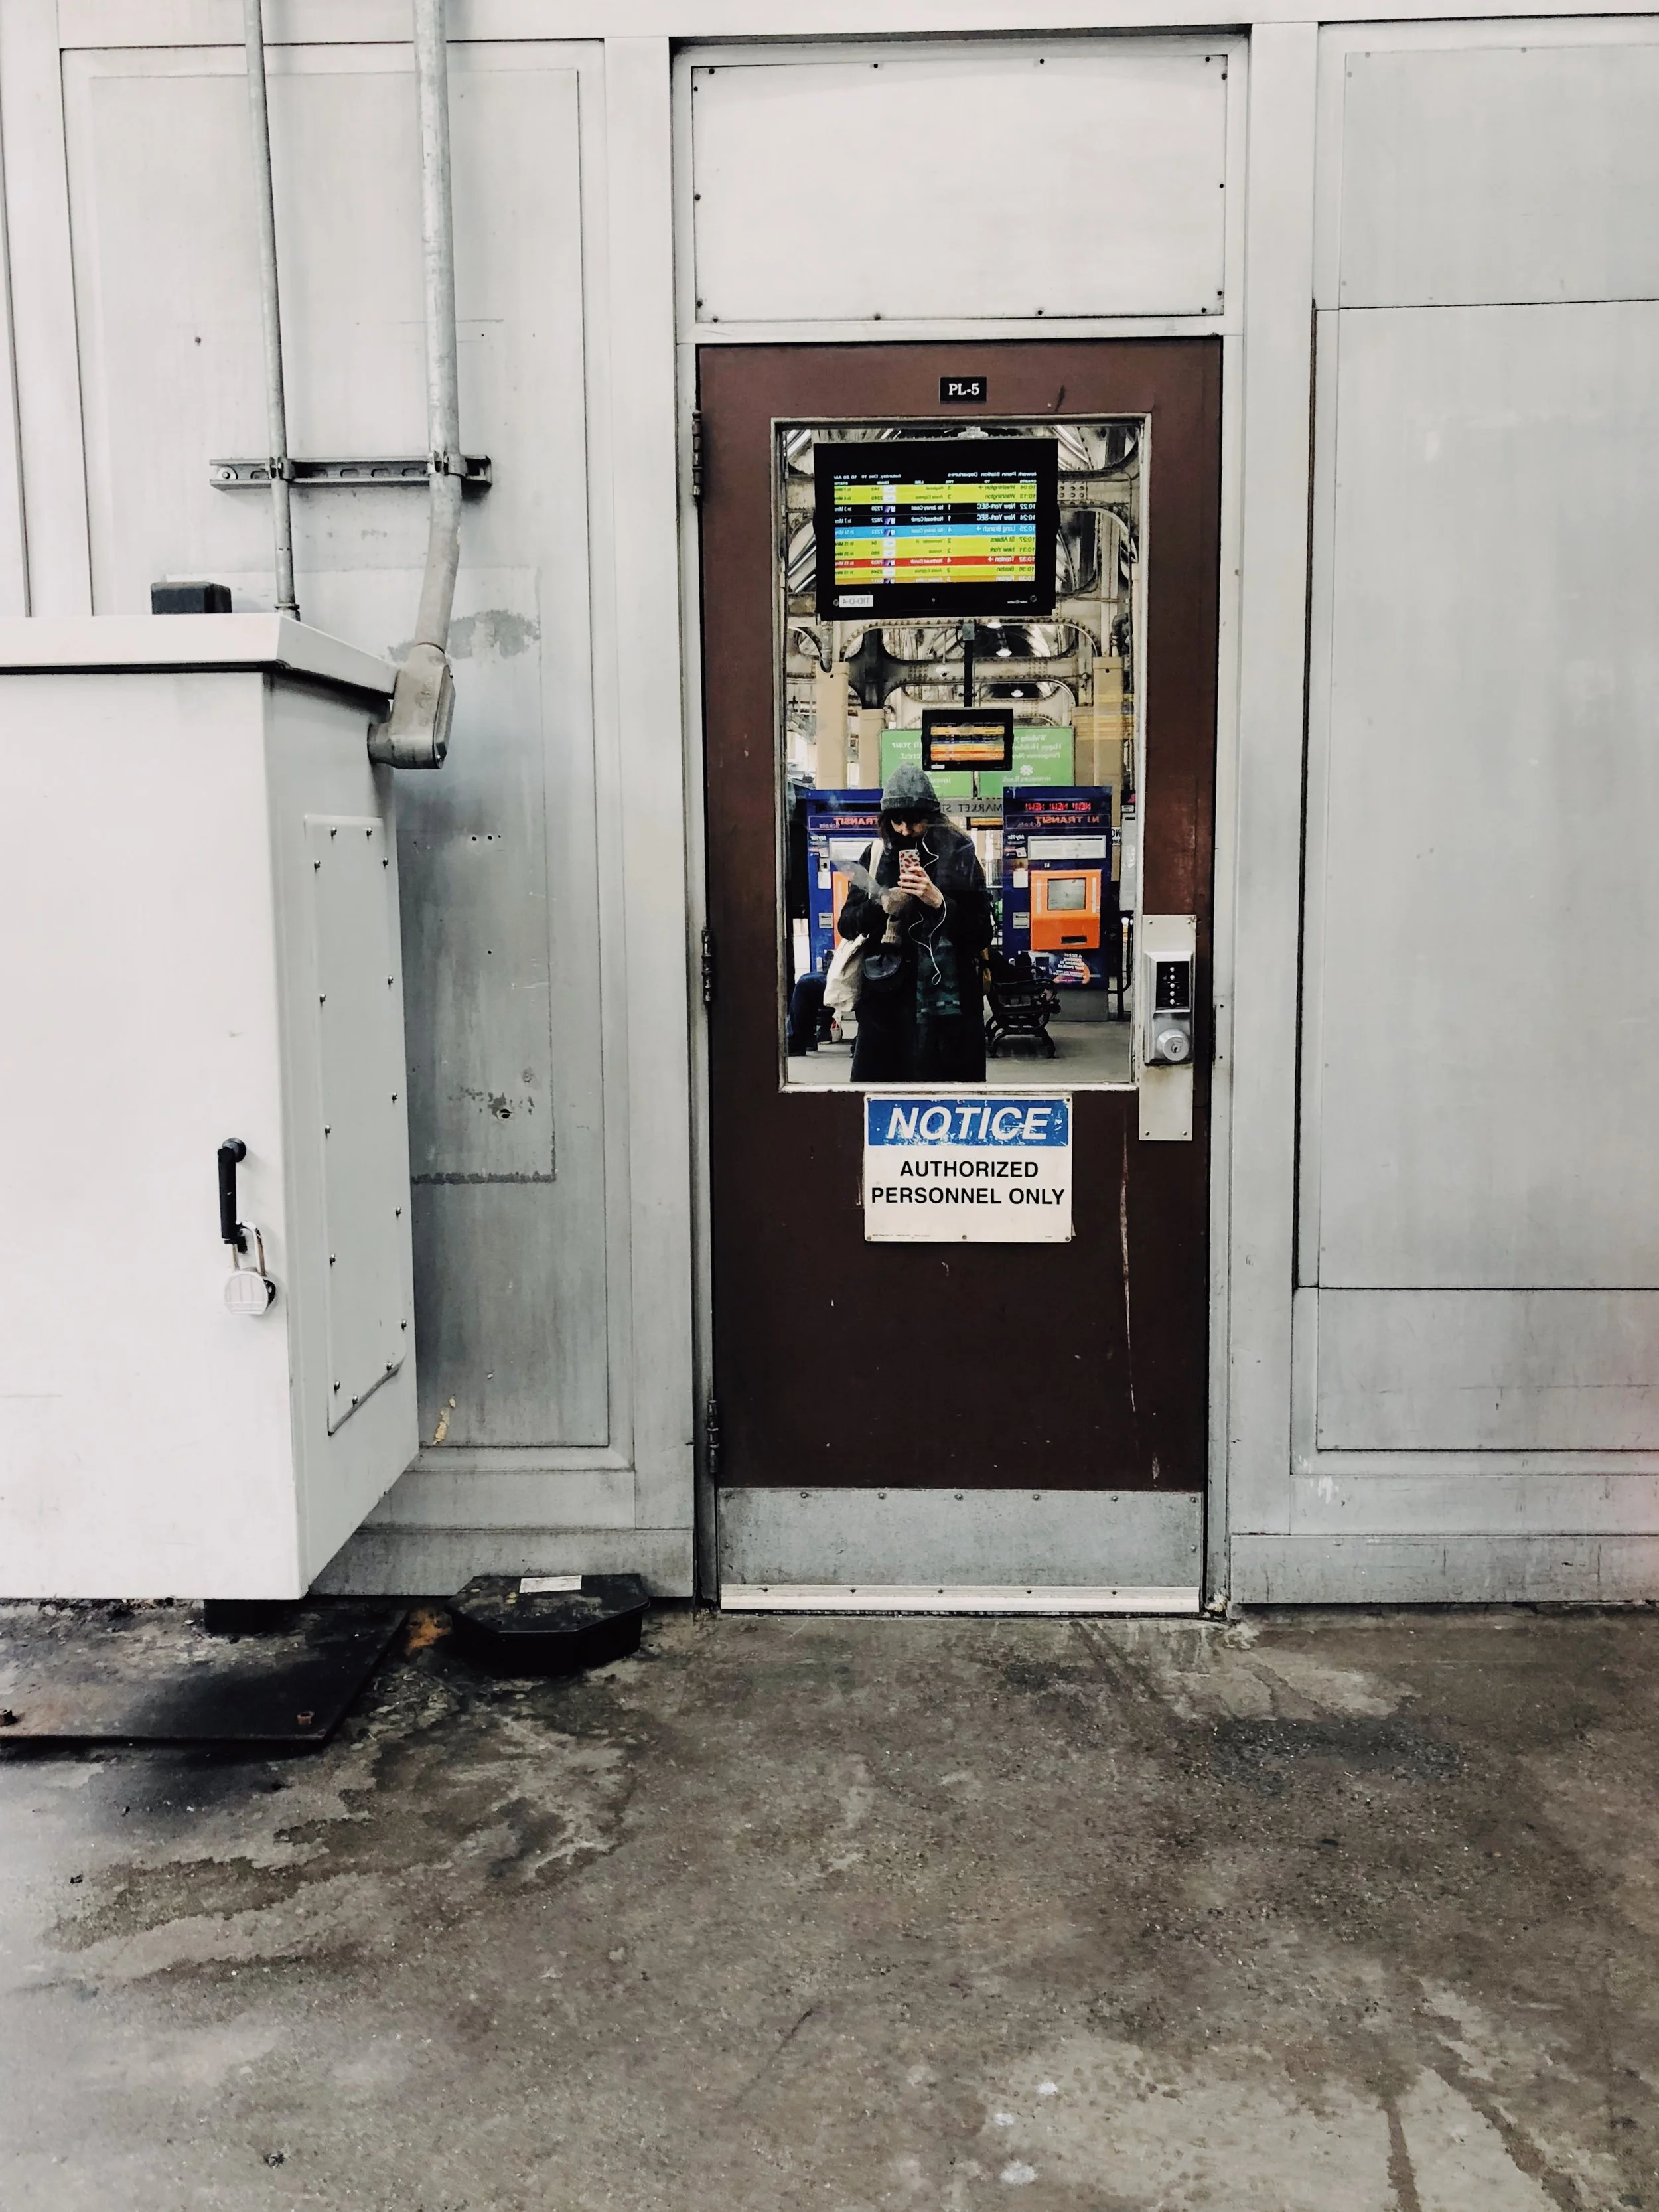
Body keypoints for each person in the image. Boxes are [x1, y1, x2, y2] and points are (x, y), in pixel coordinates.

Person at [837, 763, 994, 1082]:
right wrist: (881, 904)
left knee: (947, 1096)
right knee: (884, 1098)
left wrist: (938, 901)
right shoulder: (877, 854)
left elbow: (982, 932)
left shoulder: (959, 854)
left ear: (932, 818)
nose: (905, 831)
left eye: (915, 822)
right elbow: (847, 925)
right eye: (897, 822)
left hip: (948, 1010)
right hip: (886, 1006)